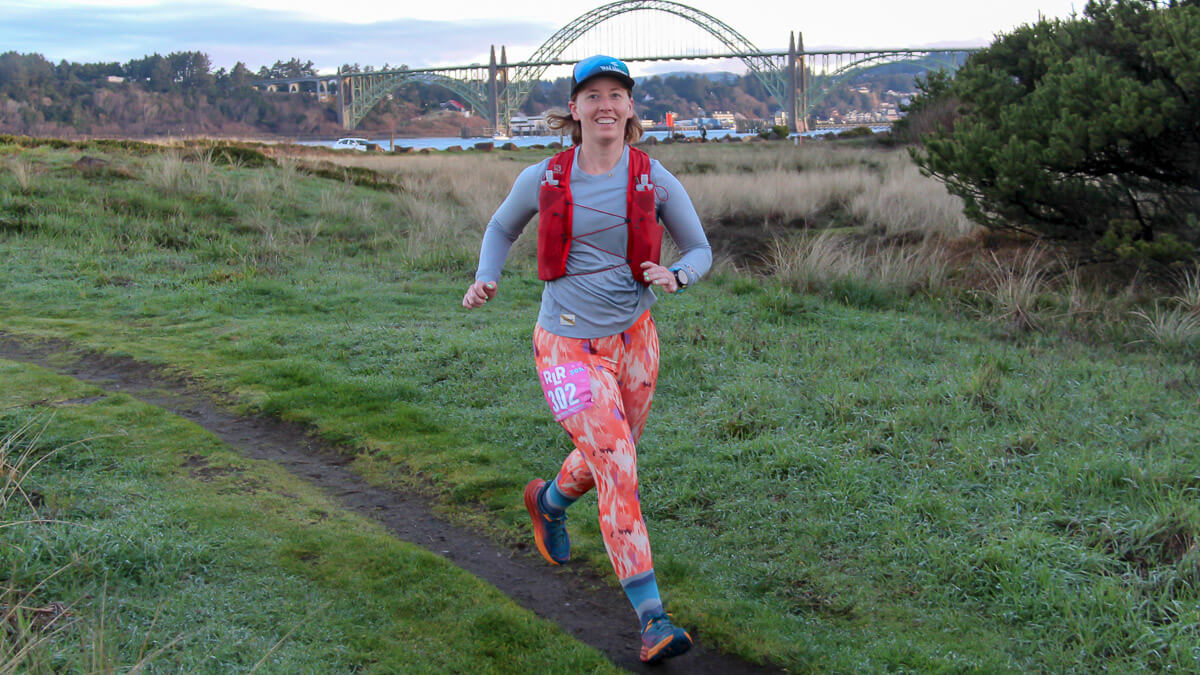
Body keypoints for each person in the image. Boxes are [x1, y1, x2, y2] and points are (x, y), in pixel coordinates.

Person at [461, 54, 712, 665]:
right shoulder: (544, 177)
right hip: (565, 347)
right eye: (592, 94)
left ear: (630, 110)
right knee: (619, 466)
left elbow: (700, 250)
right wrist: (486, 278)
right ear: (574, 109)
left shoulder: (654, 178)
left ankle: (547, 503)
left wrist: (675, 275)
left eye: (616, 94)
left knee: (611, 453)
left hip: (636, 339)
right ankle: (653, 619)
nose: (605, 103)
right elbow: (500, 229)